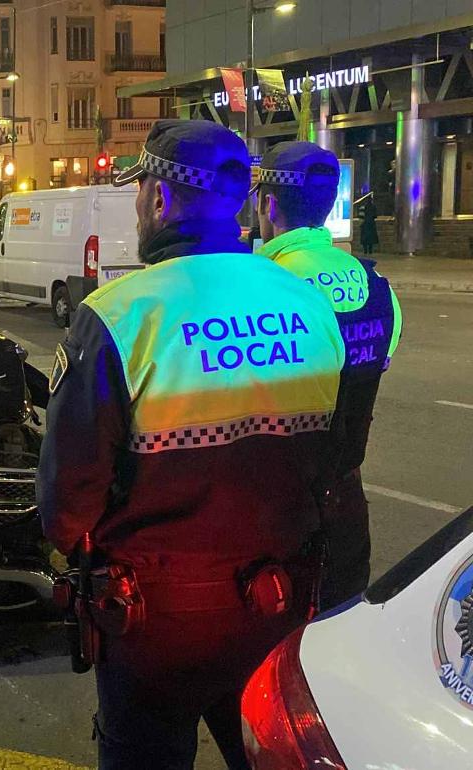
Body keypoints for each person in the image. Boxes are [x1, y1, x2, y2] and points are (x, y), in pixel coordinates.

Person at [37, 120, 345, 769]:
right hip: (276, 606)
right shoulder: (307, 305)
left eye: (139, 190)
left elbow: (68, 500)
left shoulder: (121, 314)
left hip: (155, 625)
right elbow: (334, 458)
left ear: (160, 197)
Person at [255, 141, 402, 609]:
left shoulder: (260, 286)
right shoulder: (377, 285)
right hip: (345, 512)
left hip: (270, 517)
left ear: (268, 205)